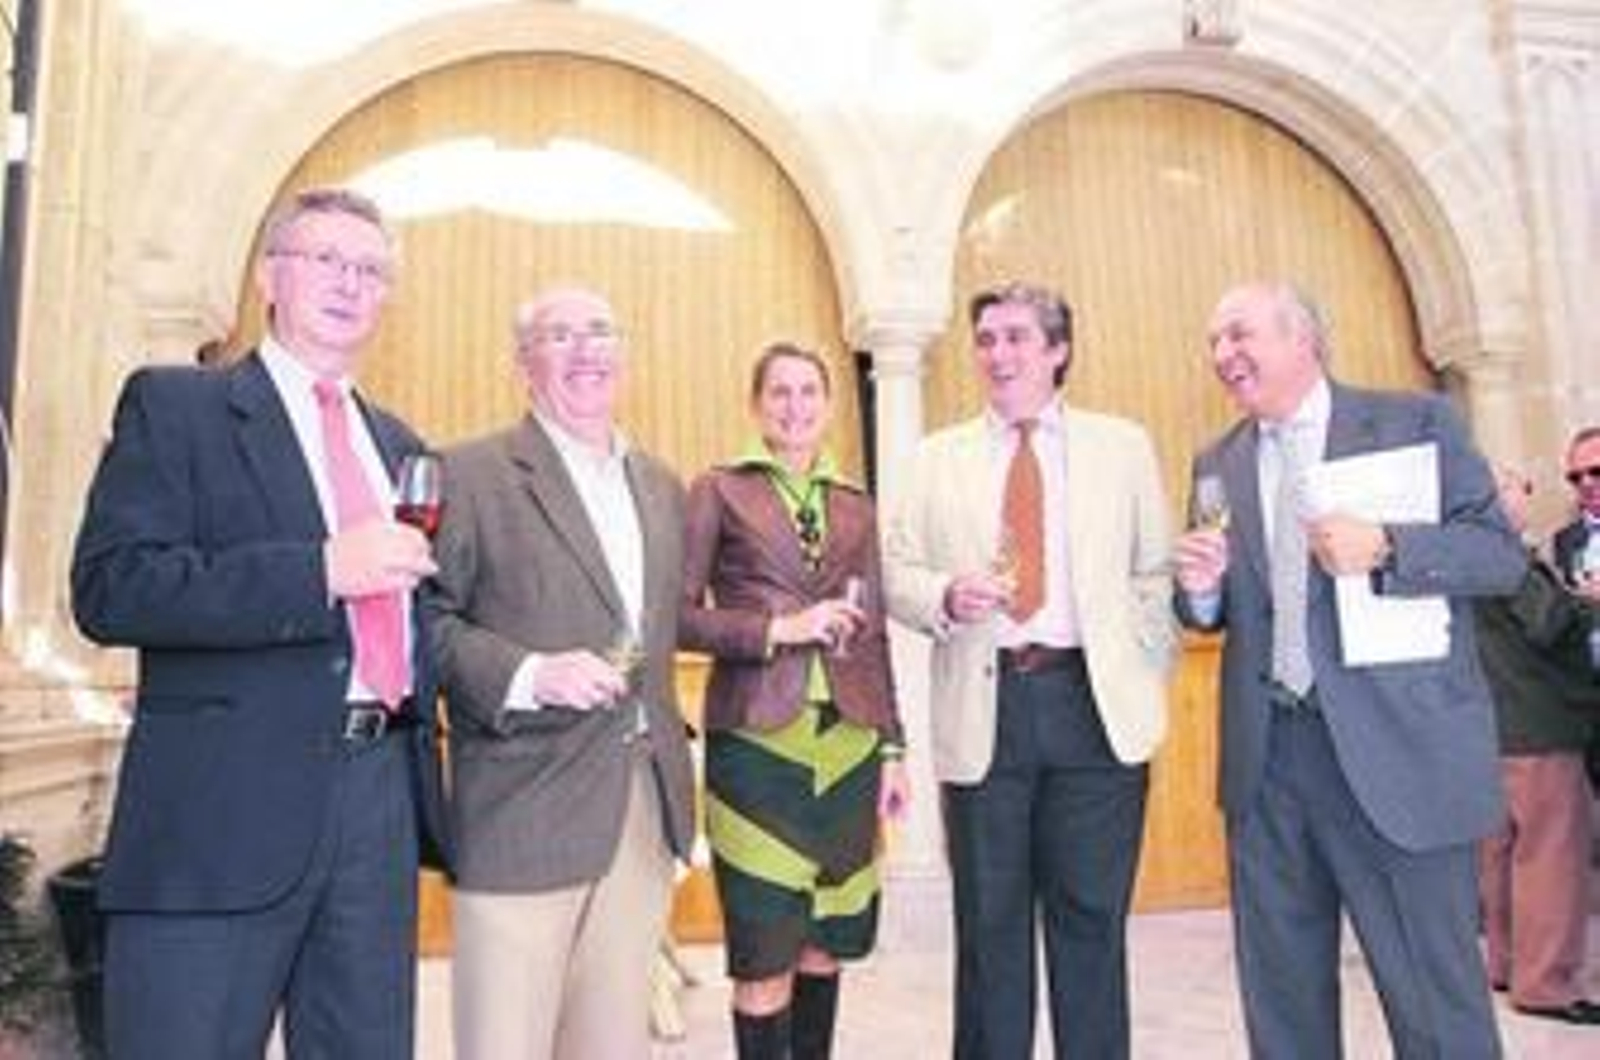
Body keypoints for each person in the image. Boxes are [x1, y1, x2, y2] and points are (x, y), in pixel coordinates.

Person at [71, 186, 448, 1058]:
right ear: (268, 274)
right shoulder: (177, 407)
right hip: (221, 812)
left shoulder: (399, 443)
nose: (350, 283)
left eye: (370, 270)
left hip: (377, 802)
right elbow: (112, 587)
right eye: (325, 260)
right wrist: (318, 569)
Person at [1173, 279, 1526, 1059]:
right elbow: (1226, 606)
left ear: (1306, 338)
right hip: (1268, 766)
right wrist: (1198, 595)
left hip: (1397, 756)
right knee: (1283, 1008)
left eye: (1239, 334)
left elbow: (1500, 556)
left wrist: (1392, 547)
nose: (1222, 355)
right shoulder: (1216, 461)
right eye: (1213, 342)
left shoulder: (1413, 423)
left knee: (1435, 1006)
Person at [883, 281, 1178, 1058]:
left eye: (1016, 337)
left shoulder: (1123, 446)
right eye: (985, 339)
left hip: (1094, 710)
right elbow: (896, 570)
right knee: (989, 929)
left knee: (1091, 926)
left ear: (1058, 351)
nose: (997, 354)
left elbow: (1155, 575)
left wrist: (1136, 668)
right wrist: (946, 592)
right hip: (988, 710)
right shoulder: (933, 458)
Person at [425, 285, 696, 1060]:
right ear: (523, 362)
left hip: (642, 812)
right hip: (521, 806)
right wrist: (527, 673)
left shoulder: (662, 485)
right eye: (559, 335)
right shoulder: (467, 473)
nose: (585, 349)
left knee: (613, 1045)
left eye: (600, 331)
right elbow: (424, 626)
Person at [679, 341, 911, 1059]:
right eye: (780, 392)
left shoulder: (857, 506)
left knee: (825, 948)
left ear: (830, 405)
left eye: (810, 391)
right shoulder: (718, 489)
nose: (796, 405)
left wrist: (895, 749)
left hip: (850, 748)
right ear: (756, 406)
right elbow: (678, 616)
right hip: (755, 753)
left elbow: (872, 635)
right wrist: (779, 629)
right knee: (763, 954)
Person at [1473, 464, 1600, 1025]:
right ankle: (1548, 984)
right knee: (1551, 857)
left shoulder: (1467, 555)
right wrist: (1590, 602)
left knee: (1504, 855)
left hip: (1496, 728)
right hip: (1540, 725)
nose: (1528, 494)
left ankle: (1507, 965)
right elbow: (1548, 625)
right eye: (1518, 485)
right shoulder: (1504, 553)